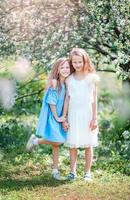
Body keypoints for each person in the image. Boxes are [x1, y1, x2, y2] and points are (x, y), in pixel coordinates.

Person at [26, 57, 71, 180]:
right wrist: (57, 117)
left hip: (61, 115)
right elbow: (51, 101)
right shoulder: (55, 83)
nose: (65, 69)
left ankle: (55, 170)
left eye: (67, 67)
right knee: (58, 141)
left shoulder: (67, 83)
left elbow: (67, 101)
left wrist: (64, 117)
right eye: (62, 67)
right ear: (57, 70)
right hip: (52, 114)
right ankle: (36, 141)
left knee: (56, 145)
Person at [62, 48, 100, 181]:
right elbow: (67, 98)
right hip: (73, 115)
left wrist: (94, 118)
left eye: (79, 62)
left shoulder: (91, 78)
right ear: (71, 63)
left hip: (87, 115)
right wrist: (64, 118)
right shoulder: (69, 79)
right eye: (74, 62)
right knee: (73, 145)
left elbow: (94, 99)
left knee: (88, 145)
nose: (77, 65)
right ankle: (72, 172)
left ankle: (87, 172)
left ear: (85, 61)